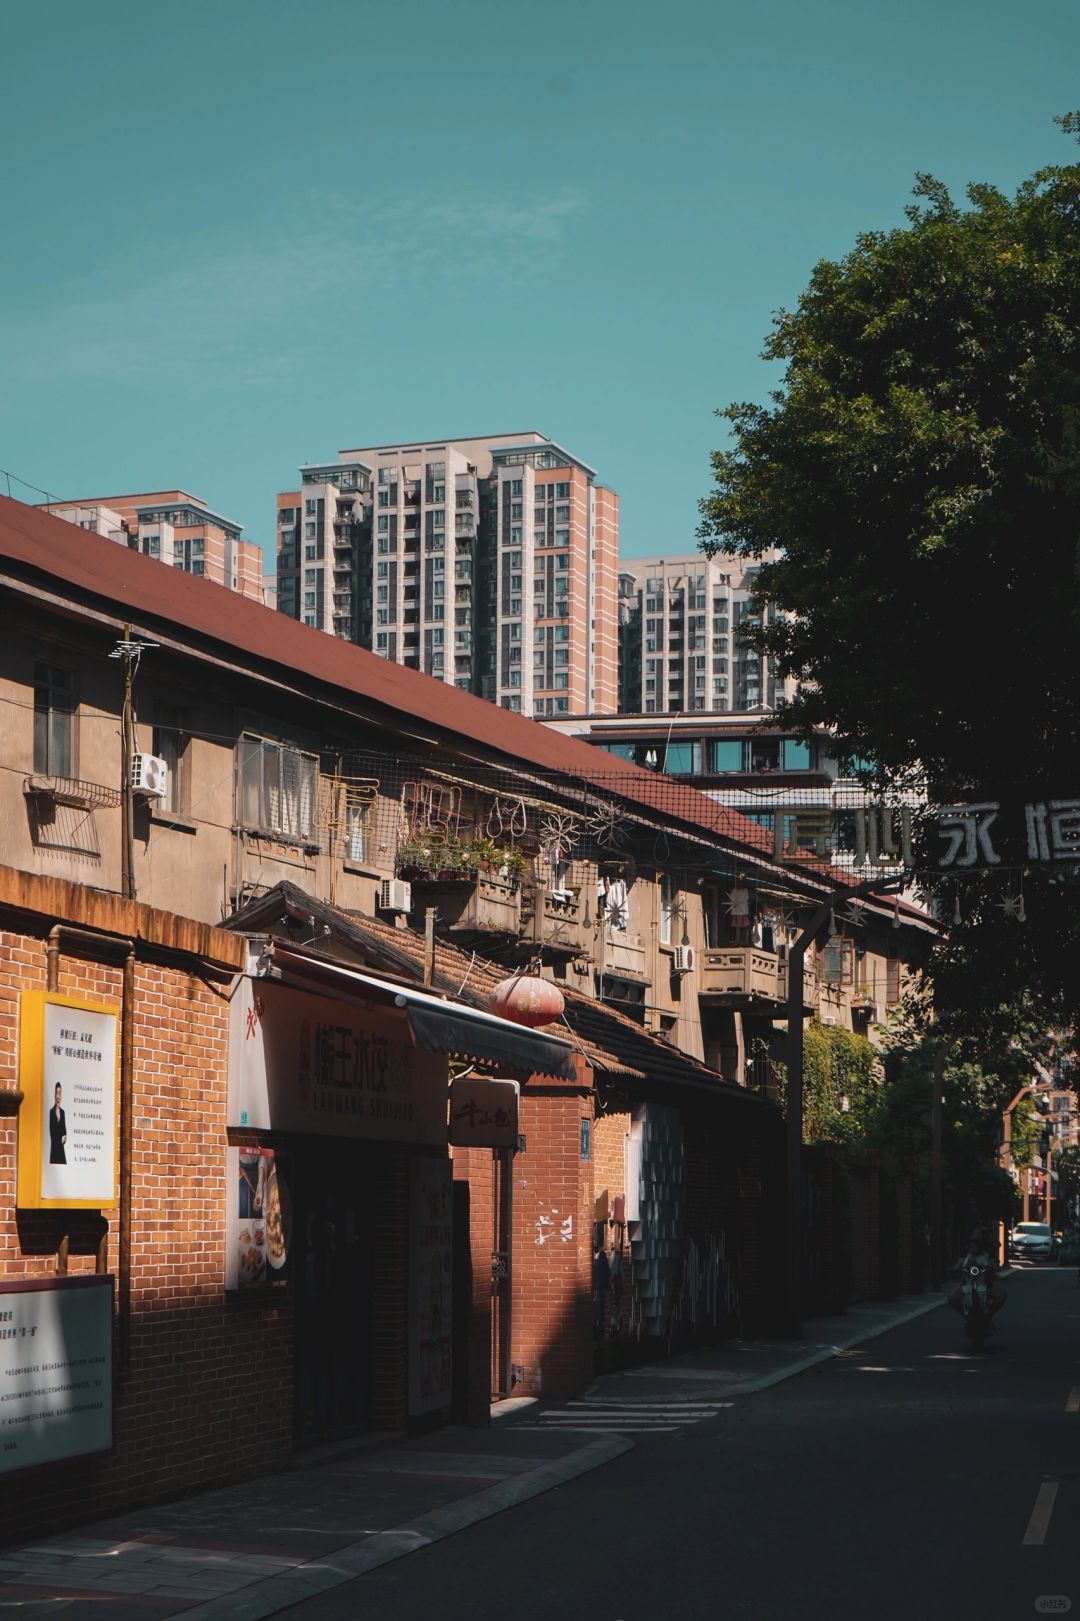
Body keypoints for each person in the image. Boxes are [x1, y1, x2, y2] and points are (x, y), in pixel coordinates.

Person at [948, 1226, 1006, 1320]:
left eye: (978, 1235)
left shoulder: (987, 1249)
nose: (976, 1237)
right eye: (974, 1234)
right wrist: (955, 1268)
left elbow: (993, 1262)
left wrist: (994, 1268)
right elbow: (960, 1260)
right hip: (968, 1281)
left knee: (1001, 1296)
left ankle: (988, 1315)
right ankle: (966, 1315)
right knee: (952, 1299)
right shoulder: (967, 1249)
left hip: (984, 1281)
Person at [48, 1083, 67, 1165]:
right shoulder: (51, 1112)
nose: (58, 1096)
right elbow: (52, 1132)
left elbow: (64, 1129)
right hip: (54, 1150)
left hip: (61, 1150)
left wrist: (65, 1135)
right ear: (54, 1094)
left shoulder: (62, 1112)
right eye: (56, 1093)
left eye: (60, 1093)